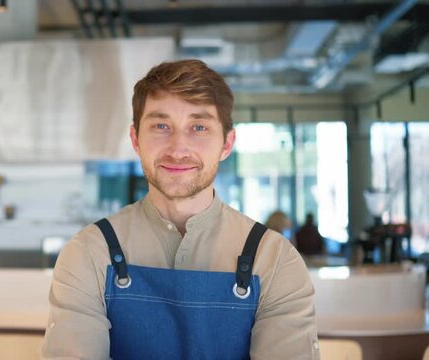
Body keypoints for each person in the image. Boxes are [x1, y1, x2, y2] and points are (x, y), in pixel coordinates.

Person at [42, 59, 319, 359]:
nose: (178, 148)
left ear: (227, 144)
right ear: (136, 139)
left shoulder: (275, 260)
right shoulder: (89, 252)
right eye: (161, 126)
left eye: (199, 127)